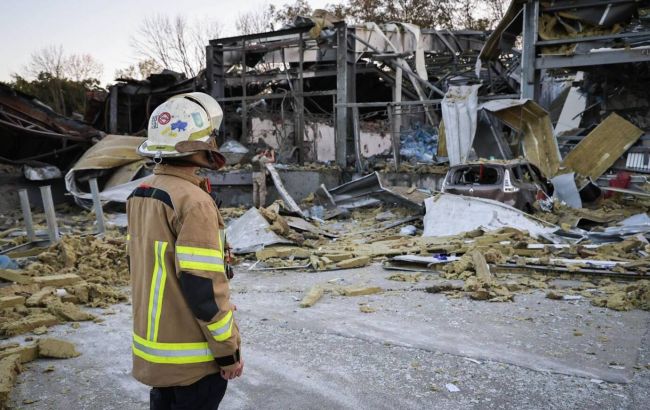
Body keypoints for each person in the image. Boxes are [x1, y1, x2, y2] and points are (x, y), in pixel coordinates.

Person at [127, 92, 243, 410]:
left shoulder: (141, 193)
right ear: (203, 143)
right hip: (194, 363)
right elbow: (203, 287)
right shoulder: (194, 202)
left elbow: (144, 269)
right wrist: (228, 351)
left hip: (157, 357)